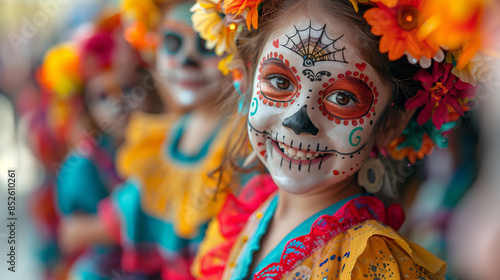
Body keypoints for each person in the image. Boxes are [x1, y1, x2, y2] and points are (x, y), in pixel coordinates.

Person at [190, 0, 486, 279]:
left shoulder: (369, 264)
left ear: (391, 124)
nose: (298, 121)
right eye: (280, 81)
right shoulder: (250, 213)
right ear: (248, 74)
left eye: (342, 98)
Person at [58, 1, 245, 279]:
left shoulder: (240, 139)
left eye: (206, 44)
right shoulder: (164, 136)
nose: (187, 60)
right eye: (172, 43)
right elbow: (141, 200)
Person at [37, 11, 164, 280]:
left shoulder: (169, 143)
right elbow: (70, 236)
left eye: (130, 89)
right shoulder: (83, 165)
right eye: (102, 96)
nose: (118, 106)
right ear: (87, 106)